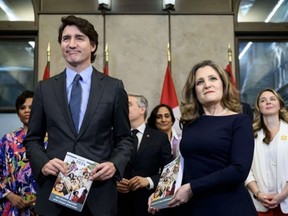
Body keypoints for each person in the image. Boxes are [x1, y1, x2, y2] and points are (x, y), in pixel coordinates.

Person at [23, 15, 133, 216]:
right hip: (54, 194)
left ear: (92, 46)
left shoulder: (113, 87)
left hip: (98, 196)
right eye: (66, 39)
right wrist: (44, 163)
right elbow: (32, 139)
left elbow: (125, 138)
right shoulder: (44, 89)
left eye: (79, 38)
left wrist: (114, 164)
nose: (71, 44)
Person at [148, 60, 257, 215]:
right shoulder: (189, 123)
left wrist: (192, 188)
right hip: (194, 207)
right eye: (200, 82)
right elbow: (184, 163)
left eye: (213, 78)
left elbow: (239, 170)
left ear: (223, 85)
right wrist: (162, 193)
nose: (207, 85)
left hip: (229, 206)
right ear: (195, 91)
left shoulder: (240, 121)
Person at [117, 94, 173, 216]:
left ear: (142, 109)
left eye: (128, 104)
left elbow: (169, 171)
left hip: (147, 205)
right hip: (117, 205)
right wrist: (114, 183)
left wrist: (148, 181)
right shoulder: (113, 136)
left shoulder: (160, 138)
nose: (123, 107)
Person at [245, 88, 288, 216]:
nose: (268, 102)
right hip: (260, 204)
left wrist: (284, 194)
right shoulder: (250, 135)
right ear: (259, 107)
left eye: (272, 99)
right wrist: (258, 194)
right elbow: (246, 169)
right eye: (263, 100)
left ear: (279, 104)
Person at [0, 90, 40, 215]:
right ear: (18, 113)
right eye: (22, 107)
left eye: (31, 107)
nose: (27, 110)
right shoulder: (7, 140)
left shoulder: (51, 140)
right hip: (13, 206)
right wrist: (10, 195)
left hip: (43, 207)